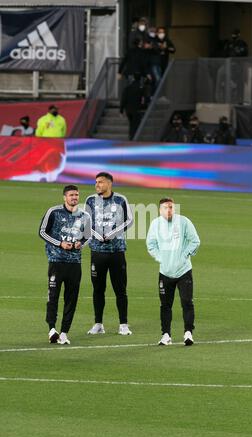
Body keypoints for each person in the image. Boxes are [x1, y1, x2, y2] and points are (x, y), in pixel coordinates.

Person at [39, 185, 91, 345]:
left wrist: (80, 244)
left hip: (75, 264)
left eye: (76, 195)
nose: (74, 197)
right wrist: (60, 243)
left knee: (71, 299)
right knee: (53, 296)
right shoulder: (53, 212)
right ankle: (52, 329)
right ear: (64, 197)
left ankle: (64, 332)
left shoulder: (85, 216)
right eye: (71, 195)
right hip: (56, 261)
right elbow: (42, 232)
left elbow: (88, 236)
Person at [146, 197, 200, 346]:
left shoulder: (183, 222)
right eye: (165, 207)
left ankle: (188, 333)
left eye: (171, 207)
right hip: (165, 271)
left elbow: (195, 241)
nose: (168, 210)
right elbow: (150, 244)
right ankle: (166, 335)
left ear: (174, 208)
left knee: (187, 302)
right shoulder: (155, 224)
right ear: (160, 210)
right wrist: (160, 258)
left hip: (183, 271)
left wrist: (184, 256)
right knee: (165, 305)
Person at [85, 172, 133, 336]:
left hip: (116, 251)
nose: (97, 184)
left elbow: (130, 220)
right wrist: (98, 235)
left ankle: (123, 324)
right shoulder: (90, 200)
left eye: (100, 182)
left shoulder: (120, 199)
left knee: (120, 289)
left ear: (109, 184)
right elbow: (86, 222)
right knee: (98, 289)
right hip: (97, 252)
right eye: (96, 182)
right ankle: (98, 324)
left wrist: (113, 233)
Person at [120, 72, 145, 140]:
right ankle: (133, 137)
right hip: (136, 109)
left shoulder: (128, 88)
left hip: (128, 109)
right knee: (135, 124)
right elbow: (142, 99)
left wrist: (121, 110)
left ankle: (131, 136)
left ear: (133, 78)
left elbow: (123, 99)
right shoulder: (140, 89)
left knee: (131, 123)